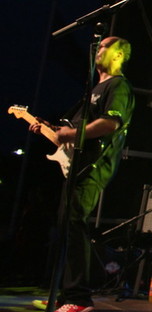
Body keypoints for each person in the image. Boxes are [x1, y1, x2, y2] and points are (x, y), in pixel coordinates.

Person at [38, 36, 134, 312]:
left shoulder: (118, 85)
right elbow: (74, 130)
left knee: (75, 226)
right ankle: (65, 294)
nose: (98, 49)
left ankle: (79, 299)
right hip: (77, 166)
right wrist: (49, 129)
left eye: (105, 46)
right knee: (66, 228)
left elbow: (111, 123)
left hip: (93, 166)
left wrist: (71, 133)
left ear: (119, 55)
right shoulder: (93, 89)